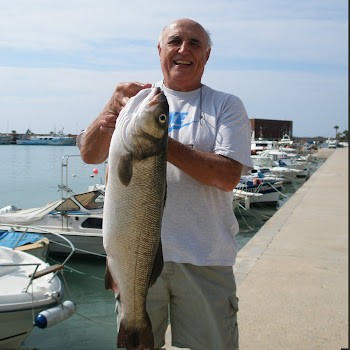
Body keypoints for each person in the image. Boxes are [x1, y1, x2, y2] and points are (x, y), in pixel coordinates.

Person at [78, 18, 253, 350]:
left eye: (195, 43)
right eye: (175, 41)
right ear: (160, 50)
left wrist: (158, 141)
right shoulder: (139, 101)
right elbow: (90, 155)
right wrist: (112, 106)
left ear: (207, 55)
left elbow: (228, 176)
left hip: (206, 258)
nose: (184, 49)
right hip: (132, 258)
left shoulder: (227, 106)